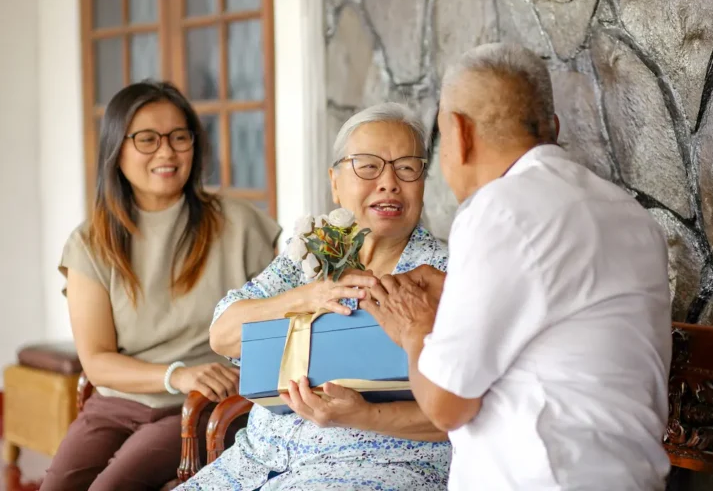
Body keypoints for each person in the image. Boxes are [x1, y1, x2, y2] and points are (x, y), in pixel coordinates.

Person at [363, 42, 673, 490]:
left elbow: (447, 406)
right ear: (554, 129)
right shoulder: (632, 215)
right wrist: (454, 296)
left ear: (459, 131)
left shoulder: (497, 209)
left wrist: (414, 330)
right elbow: (558, 320)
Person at [177, 103, 451, 490]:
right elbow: (223, 334)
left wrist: (361, 416)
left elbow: (460, 409)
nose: (389, 182)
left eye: (407, 167)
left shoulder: (443, 275)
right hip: (255, 463)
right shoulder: (307, 255)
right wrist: (309, 296)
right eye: (369, 166)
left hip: (373, 467)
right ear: (335, 183)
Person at [41, 81, 281, 491]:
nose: (167, 152)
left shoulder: (240, 224)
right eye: (147, 139)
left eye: (179, 137)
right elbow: (97, 361)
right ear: (117, 150)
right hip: (115, 403)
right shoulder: (90, 243)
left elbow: (286, 309)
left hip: (197, 406)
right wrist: (177, 374)